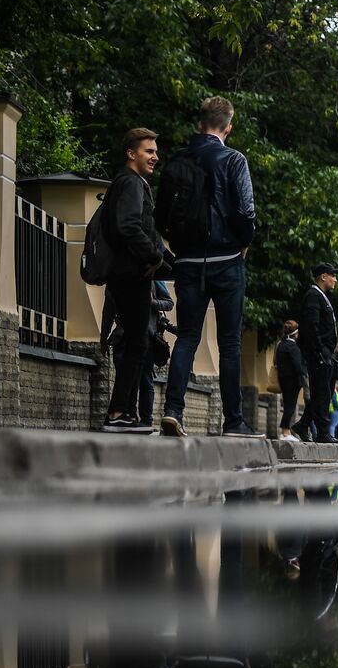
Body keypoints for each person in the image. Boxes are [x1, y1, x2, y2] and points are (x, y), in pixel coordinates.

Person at [159, 96, 259, 439]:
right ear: (228, 128)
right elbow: (245, 211)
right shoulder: (233, 160)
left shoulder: (177, 161)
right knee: (229, 342)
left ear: (199, 124)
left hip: (187, 261)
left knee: (187, 336)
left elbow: (161, 215)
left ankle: (172, 410)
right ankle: (233, 422)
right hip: (227, 260)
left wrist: (177, 245)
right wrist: (243, 243)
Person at [101, 128, 171, 434]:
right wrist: (155, 258)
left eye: (155, 151)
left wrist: (163, 258)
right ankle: (118, 412)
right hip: (132, 273)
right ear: (131, 153)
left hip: (128, 271)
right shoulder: (130, 183)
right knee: (137, 344)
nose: (155, 156)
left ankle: (126, 413)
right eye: (148, 151)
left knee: (135, 343)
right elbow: (129, 226)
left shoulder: (129, 182)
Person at [102, 278, 175, 432]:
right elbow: (108, 309)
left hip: (147, 336)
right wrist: (104, 338)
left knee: (145, 379)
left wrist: (152, 302)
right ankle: (126, 415)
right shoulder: (116, 277)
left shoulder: (153, 277)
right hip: (122, 337)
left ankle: (145, 420)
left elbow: (169, 303)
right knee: (125, 376)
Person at [293, 262, 338, 442]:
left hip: (326, 353)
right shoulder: (313, 296)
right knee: (322, 393)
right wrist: (320, 352)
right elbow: (311, 326)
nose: (335, 279)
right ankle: (323, 433)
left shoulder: (321, 296)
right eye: (332, 275)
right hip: (319, 354)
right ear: (323, 277)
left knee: (323, 393)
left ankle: (303, 425)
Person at [274, 320, 306, 442]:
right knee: (290, 406)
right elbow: (298, 366)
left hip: (282, 379)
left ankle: (285, 431)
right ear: (295, 334)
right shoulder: (293, 347)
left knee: (287, 404)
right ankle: (285, 432)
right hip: (293, 381)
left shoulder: (280, 345)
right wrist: (303, 373)